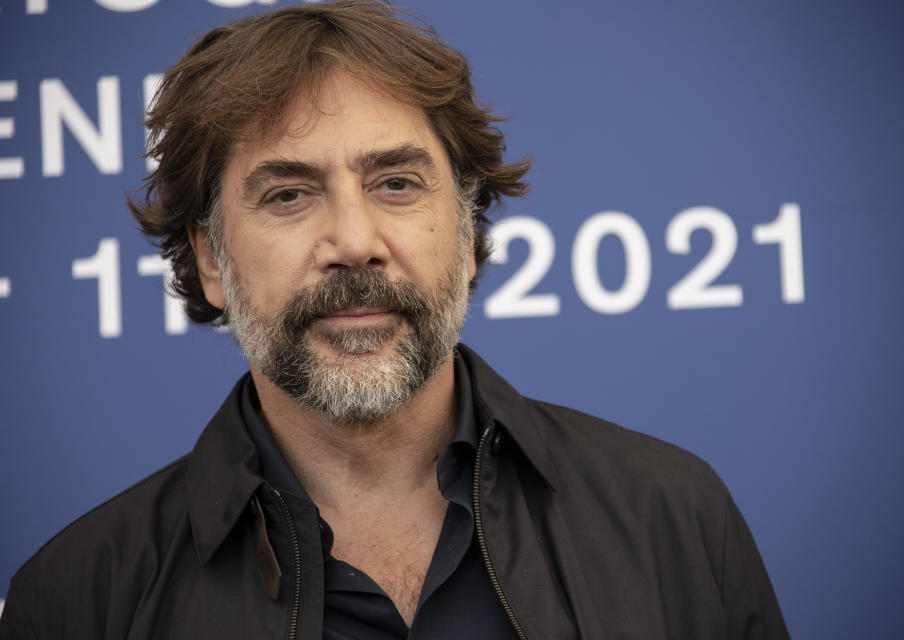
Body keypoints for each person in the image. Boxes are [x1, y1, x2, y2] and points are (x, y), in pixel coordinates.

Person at [0, 2, 789, 638]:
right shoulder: (80, 599)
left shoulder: (673, 516)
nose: (353, 243)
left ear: (471, 233)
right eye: (288, 194)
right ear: (211, 259)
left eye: (398, 184)